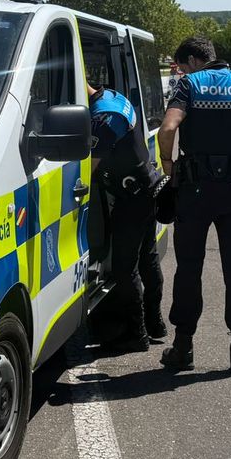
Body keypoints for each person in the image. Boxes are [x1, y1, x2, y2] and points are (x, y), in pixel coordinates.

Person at [157, 34, 231, 373]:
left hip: (195, 190)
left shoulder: (190, 85)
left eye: (183, 66)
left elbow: (168, 127)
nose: (182, 71)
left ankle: (183, 348)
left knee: (189, 268)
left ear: (193, 61)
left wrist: (168, 165)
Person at [88, 80, 166, 351]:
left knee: (124, 268)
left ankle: (137, 335)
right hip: (145, 189)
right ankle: (155, 324)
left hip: (131, 198)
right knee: (148, 259)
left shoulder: (105, 116)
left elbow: (88, 169)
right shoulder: (112, 97)